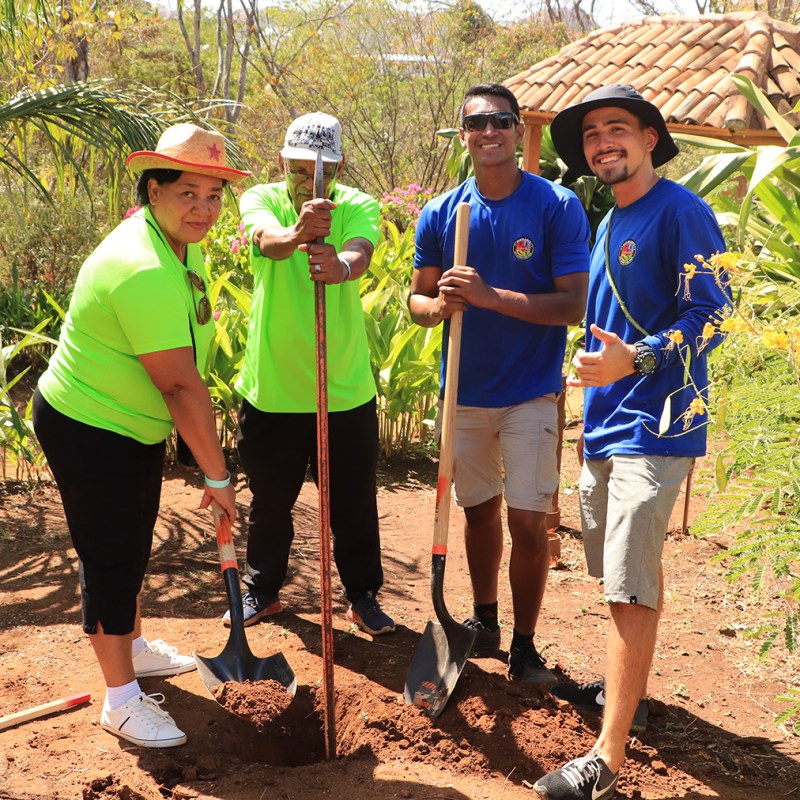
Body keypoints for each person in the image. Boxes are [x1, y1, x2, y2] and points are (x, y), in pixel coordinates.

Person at [536, 85, 732, 799]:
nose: (601, 143)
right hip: (606, 420)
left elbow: (714, 314)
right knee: (615, 568)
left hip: (660, 423)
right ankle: (632, 697)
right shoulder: (606, 220)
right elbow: (610, 320)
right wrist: (592, 367)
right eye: (591, 135)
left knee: (626, 583)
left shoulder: (681, 211)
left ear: (652, 138)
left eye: (617, 129)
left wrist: (637, 361)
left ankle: (605, 759)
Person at [32, 123, 249, 749]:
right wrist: (217, 476)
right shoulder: (142, 265)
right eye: (188, 192)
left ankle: (129, 643)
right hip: (91, 427)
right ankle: (121, 700)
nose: (203, 208)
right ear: (152, 190)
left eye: (214, 194)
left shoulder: (179, 242)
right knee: (111, 555)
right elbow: (181, 388)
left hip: (129, 426)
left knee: (124, 543)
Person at [409, 83, 590, 684]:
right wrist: (439, 308)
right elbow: (418, 297)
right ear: (462, 134)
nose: (489, 132)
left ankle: (525, 647)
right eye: (477, 122)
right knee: (478, 513)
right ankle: (483, 623)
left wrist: (488, 297)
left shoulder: (555, 206)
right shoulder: (441, 212)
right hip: (463, 391)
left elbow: (572, 304)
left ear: (516, 130)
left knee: (529, 521)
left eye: (501, 121)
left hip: (530, 391)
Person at [229, 112, 394, 636]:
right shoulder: (261, 198)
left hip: (342, 388)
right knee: (271, 498)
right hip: (273, 387)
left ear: (340, 165)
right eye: (299, 169)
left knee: (352, 500)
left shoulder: (359, 204)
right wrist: (300, 232)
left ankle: (362, 595)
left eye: (321, 170)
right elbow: (265, 240)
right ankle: (262, 589)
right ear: (282, 162)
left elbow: (361, 250)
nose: (309, 181)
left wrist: (341, 265)